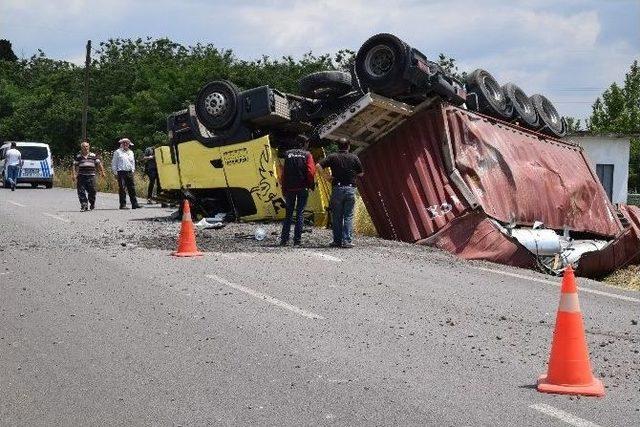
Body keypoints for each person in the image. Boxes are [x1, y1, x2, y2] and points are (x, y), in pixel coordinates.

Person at [317, 138, 364, 248]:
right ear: (348, 146)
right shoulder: (354, 157)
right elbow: (361, 173)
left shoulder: (332, 156)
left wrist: (327, 177)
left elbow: (318, 165)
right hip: (350, 189)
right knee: (348, 216)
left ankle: (336, 241)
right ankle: (347, 241)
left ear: (338, 146)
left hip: (337, 189)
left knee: (337, 216)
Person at [279, 135, 316, 246]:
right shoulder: (307, 155)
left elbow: (284, 173)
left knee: (288, 214)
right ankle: (297, 240)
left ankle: (284, 240)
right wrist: (310, 184)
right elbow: (310, 172)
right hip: (302, 188)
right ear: (304, 143)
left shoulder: (288, 154)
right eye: (307, 143)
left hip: (290, 188)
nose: (308, 145)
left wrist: (284, 188)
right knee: (300, 213)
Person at [72, 140, 105, 211]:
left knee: (93, 191)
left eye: (86, 146)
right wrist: (74, 174)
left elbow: (99, 164)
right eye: (84, 146)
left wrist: (102, 172)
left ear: (89, 147)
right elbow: (74, 166)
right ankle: (84, 205)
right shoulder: (78, 156)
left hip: (91, 176)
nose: (85, 148)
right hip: (81, 176)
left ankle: (92, 203)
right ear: (81, 148)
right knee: (81, 191)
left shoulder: (93, 155)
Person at [111, 137, 140, 209]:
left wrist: (132, 170)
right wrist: (115, 173)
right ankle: (123, 205)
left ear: (129, 144)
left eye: (127, 143)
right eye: (123, 142)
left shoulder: (131, 152)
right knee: (122, 188)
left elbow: (133, 162)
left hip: (129, 172)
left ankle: (134, 204)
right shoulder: (117, 152)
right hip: (121, 172)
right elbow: (114, 163)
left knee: (132, 188)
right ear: (121, 144)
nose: (125, 144)